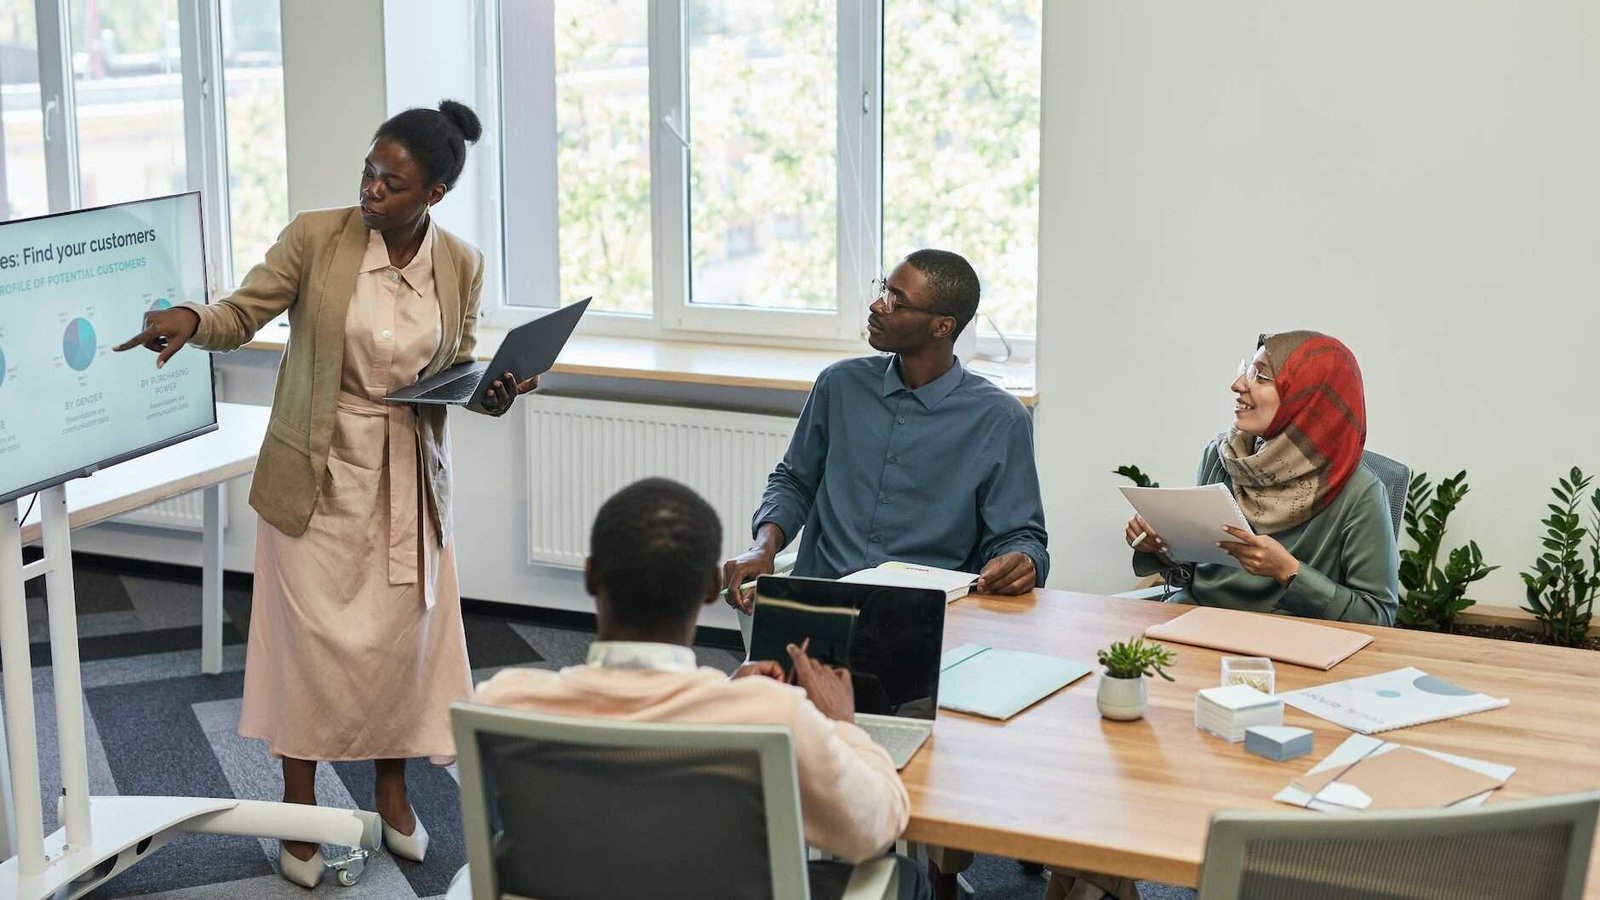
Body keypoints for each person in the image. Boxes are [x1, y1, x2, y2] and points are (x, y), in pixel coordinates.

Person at [115, 100, 535, 886]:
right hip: (317, 465)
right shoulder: (317, 236)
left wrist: (494, 393)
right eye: (369, 172)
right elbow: (243, 314)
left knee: (398, 644)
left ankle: (390, 787)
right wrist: (190, 318)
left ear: (434, 195)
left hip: (406, 476)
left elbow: (460, 366)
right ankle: (299, 805)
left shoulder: (463, 264)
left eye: (393, 183)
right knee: (308, 647)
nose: (371, 190)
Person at [475, 479, 930, 899]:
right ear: (713, 588)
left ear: (591, 576)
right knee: (907, 878)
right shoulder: (774, 716)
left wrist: (728, 692)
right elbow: (871, 829)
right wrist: (844, 727)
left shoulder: (504, 701)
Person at [722, 249, 1049, 613]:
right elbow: (794, 481)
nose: (877, 305)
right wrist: (763, 547)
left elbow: (1021, 537)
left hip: (926, 615)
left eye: (896, 300)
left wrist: (1023, 561)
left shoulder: (1000, 418)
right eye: (883, 289)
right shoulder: (839, 384)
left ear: (942, 326)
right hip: (819, 602)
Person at [1122, 331, 1397, 625]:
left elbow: (1377, 616)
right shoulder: (1222, 456)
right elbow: (1192, 574)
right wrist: (1161, 548)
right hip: (1198, 626)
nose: (1237, 385)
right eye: (1246, 372)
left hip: (1290, 644)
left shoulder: (1360, 492)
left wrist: (1289, 571)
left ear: (1306, 398)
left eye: (1262, 377)